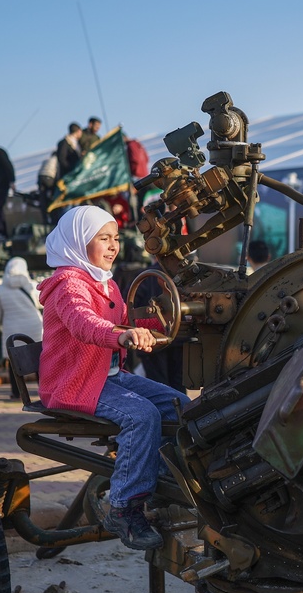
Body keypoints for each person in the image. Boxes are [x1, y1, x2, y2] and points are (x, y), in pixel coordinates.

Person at [37, 205, 189, 549]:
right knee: (142, 416)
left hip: (106, 377)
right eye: (103, 238)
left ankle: (161, 478)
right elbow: (84, 324)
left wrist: (168, 322)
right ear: (78, 242)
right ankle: (123, 507)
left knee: (179, 405)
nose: (113, 245)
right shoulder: (68, 285)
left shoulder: (105, 284)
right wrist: (120, 336)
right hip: (73, 382)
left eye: (116, 238)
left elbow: (126, 321)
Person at [0, 257, 43, 400]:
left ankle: (17, 392)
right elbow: (42, 303)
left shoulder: (0, 290)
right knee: (39, 358)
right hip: (34, 326)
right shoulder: (31, 286)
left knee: (13, 361)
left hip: (11, 329)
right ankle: (43, 391)